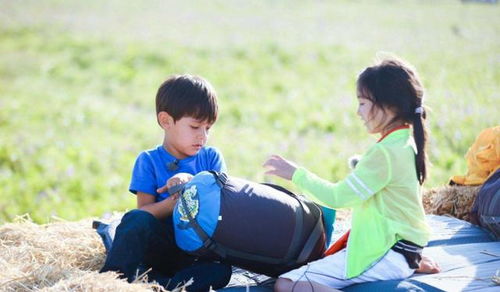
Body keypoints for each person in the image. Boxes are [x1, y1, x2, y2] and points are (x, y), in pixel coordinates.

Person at [263, 57, 439, 291]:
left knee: (286, 284)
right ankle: (405, 262)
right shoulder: (405, 141)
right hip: (406, 248)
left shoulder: (383, 154)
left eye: (363, 103)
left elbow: (338, 198)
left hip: (388, 252)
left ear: (389, 106)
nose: (358, 112)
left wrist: (296, 174)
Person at [100, 74, 232, 291]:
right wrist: (173, 203)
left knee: (221, 270)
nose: (203, 136)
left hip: (197, 251)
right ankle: (108, 283)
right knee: (134, 220)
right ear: (166, 121)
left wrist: (190, 183)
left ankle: (161, 285)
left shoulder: (211, 158)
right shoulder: (148, 160)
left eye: (208, 128)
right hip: (161, 249)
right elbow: (144, 213)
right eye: (195, 127)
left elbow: (222, 204)